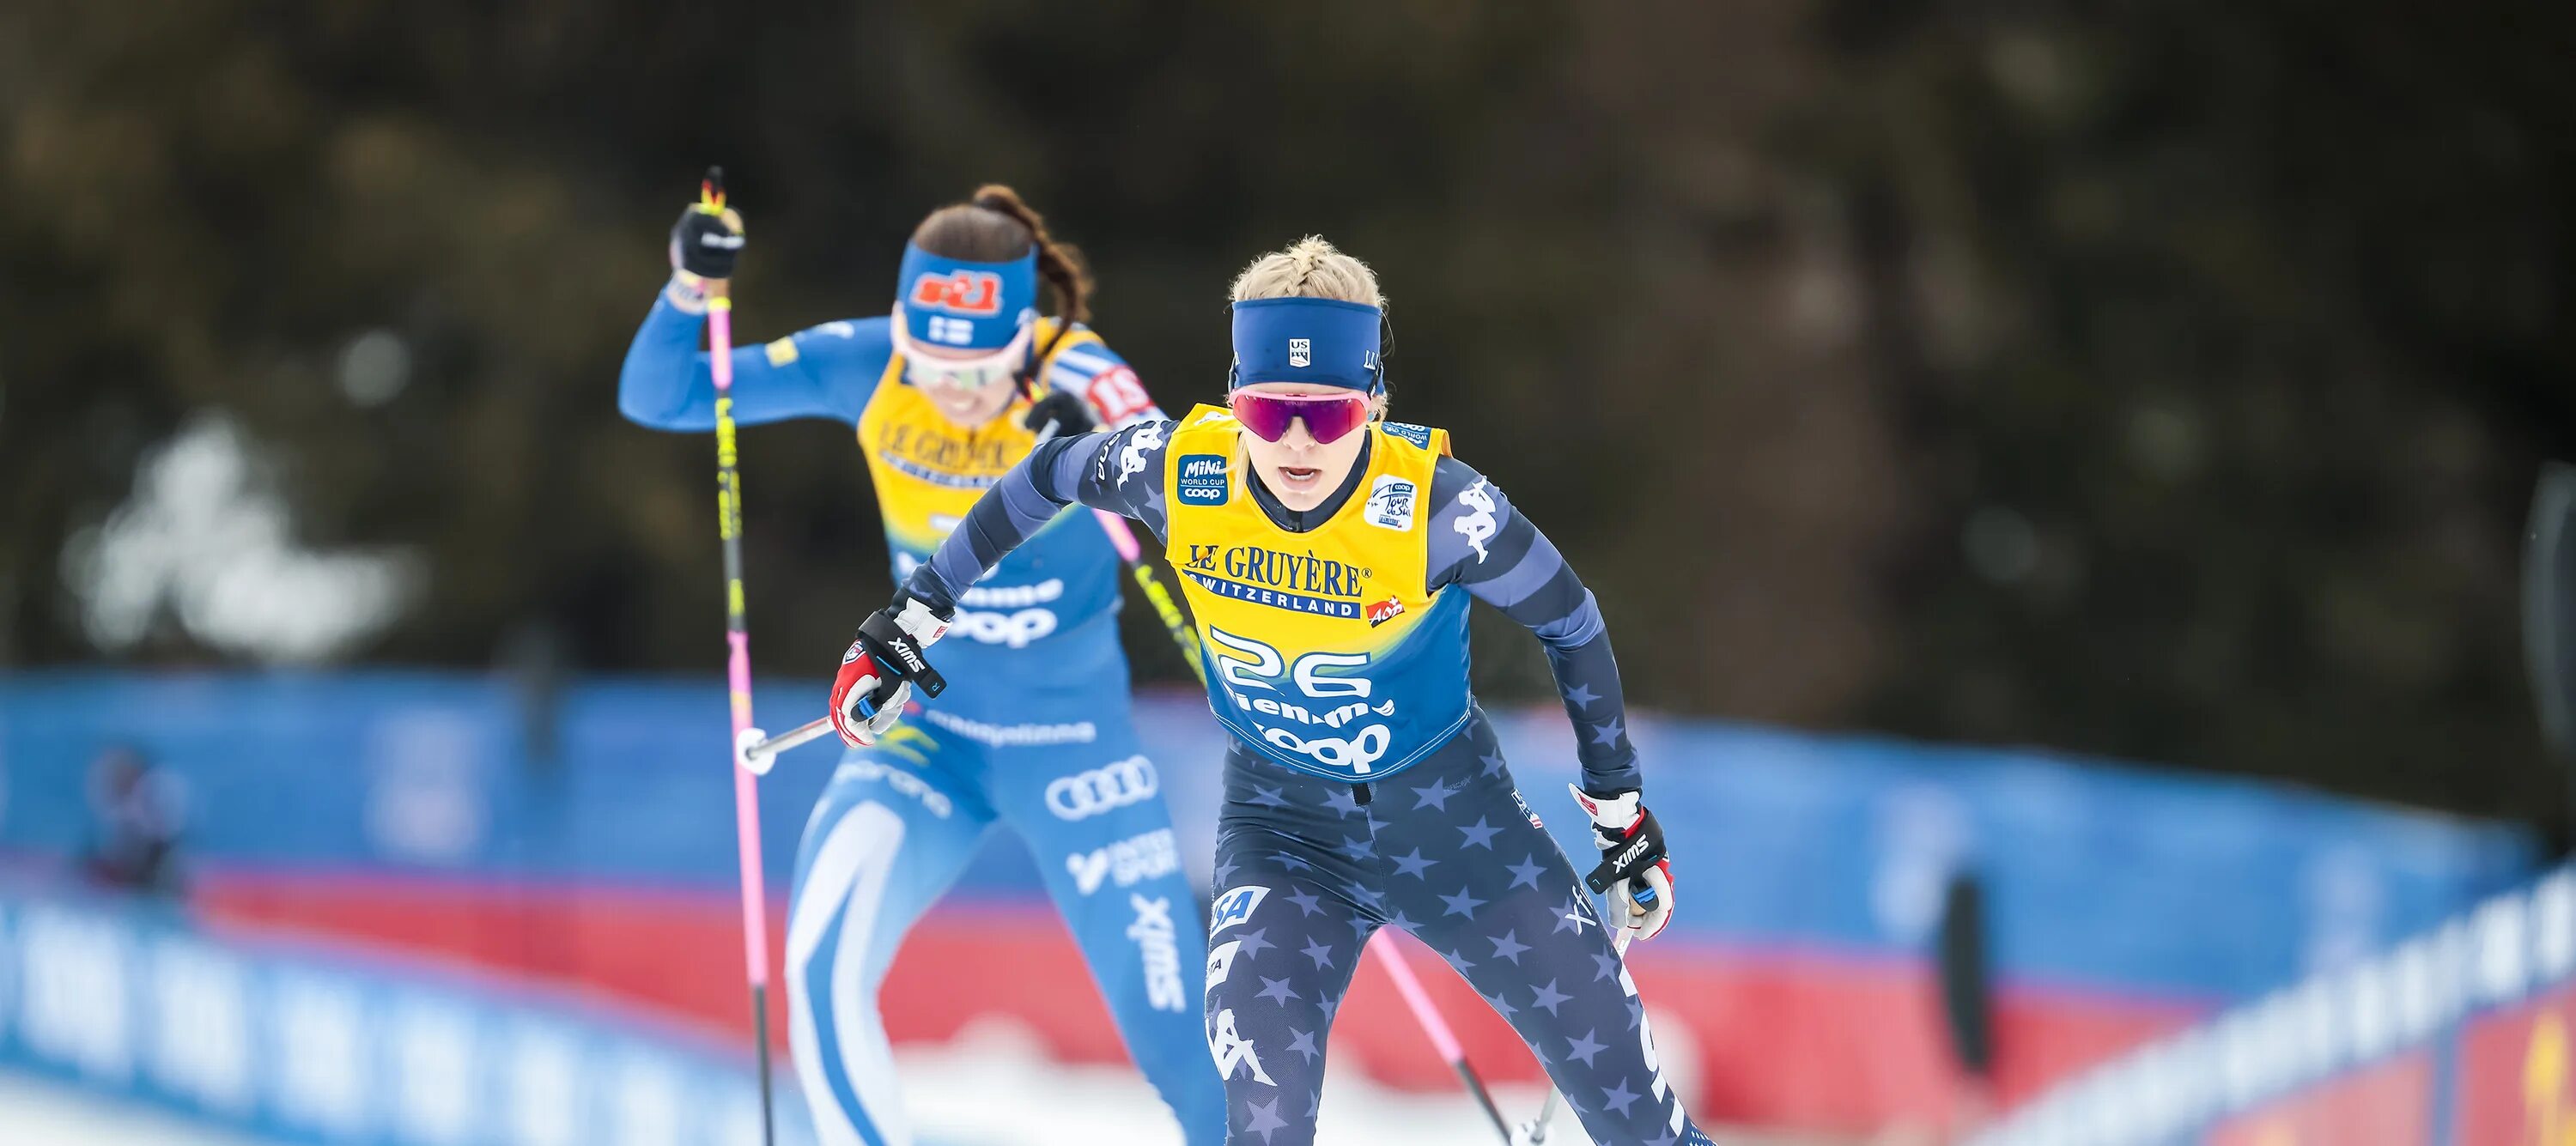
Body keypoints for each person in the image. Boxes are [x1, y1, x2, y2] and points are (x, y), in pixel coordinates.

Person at [828, 236, 1710, 1145]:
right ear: (1233, 398)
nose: (1293, 441)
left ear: (1372, 403)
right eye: (1265, 409)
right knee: (1262, 1119)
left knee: (1637, 1120)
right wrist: (915, 616)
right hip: (1283, 838)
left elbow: (1571, 620)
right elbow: (1044, 476)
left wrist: (1620, 811)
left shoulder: (1439, 509)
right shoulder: (1177, 470)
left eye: (1325, 418)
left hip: (1454, 828)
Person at [619, 185, 1223, 1146]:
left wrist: (1101, 454)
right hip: (925, 743)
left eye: (978, 370)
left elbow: (1191, 495)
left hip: (1075, 752)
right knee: (820, 969)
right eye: (930, 361)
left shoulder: (1083, 371)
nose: (951, 390)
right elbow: (661, 397)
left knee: (1183, 1047)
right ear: (903, 331)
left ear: (1023, 341)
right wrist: (692, 286)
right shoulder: (866, 361)